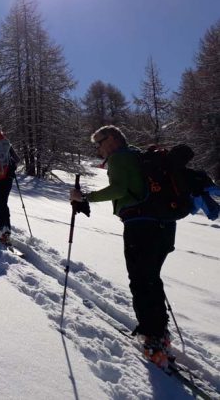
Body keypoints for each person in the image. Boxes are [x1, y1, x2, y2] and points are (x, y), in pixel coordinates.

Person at [69, 125, 175, 368]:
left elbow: (119, 189)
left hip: (140, 224)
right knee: (150, 277)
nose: (98, 148)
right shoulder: (138, 156)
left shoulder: (119, 158)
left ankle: (153, 337)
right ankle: (160, 332)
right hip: (165, 225)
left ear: (113, 139)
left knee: (140, 279)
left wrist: (85, 197)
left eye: (100, 142)